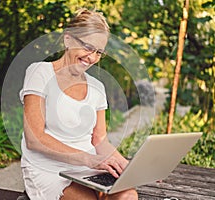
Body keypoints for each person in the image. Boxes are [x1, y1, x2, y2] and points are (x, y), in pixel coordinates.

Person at [19, 8, 138, 200]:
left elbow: (99, 140)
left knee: (128, 196)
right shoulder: (39, 73)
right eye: (88, 47)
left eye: (99, 52)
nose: (92, 57)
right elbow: (34, 138)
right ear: (68, 39)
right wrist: (89, 159)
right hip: (50, 170)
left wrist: (129, 166)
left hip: (87, 168)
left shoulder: (97, 87)